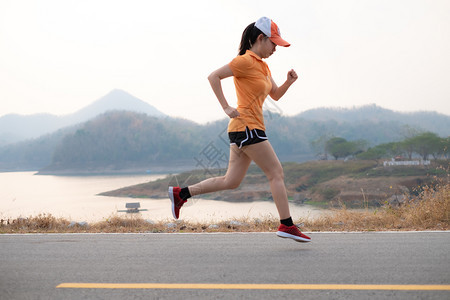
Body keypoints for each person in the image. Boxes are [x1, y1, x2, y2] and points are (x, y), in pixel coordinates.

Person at [168, 17, 310, 243]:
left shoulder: (263, 66)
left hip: (244, 129)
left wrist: (288, 82)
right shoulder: (244, 61)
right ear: (260, 39)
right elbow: (213, 76)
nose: (275, 48)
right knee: (276, 173)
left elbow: (275, 95)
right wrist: (226, 106)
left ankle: (181, 193)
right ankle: (287, 225)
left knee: (231, 181)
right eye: (273, 43)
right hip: (247, 127)